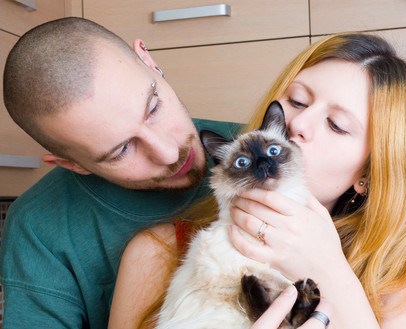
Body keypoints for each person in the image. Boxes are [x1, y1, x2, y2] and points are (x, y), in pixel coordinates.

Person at [109, 33, 406, 329]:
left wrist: (331, 272)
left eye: (336, 124)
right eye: (296, 102)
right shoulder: (157, 253)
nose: (299, 124)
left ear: (369, 172)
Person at [0, 17, 242, 328]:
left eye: (153, 108)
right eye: (121, 151)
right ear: (70, 163)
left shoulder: (264, 151)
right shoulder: (36, 228)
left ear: (148, 60)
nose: (168, 153)